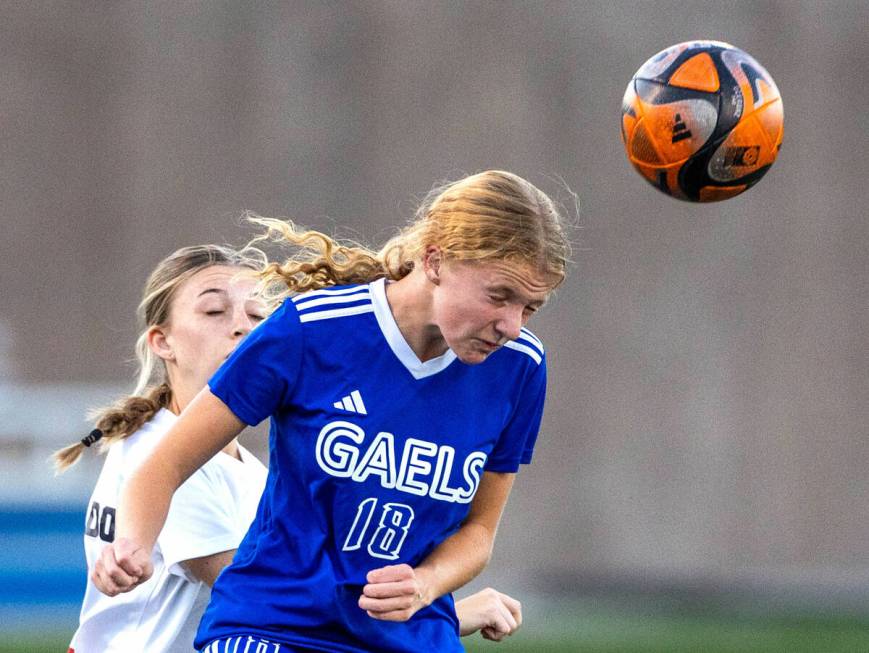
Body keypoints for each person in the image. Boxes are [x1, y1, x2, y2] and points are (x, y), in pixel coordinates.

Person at [93, 170, 570, 652]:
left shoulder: (520, 367)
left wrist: (427, 584)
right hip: (275, 629)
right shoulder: (311, 330)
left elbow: (479, 531)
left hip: (413, 637)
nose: (511, 325)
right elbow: (163, 464)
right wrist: (131, 545)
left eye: (531, 307)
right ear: (434, 260)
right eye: (499, 296)